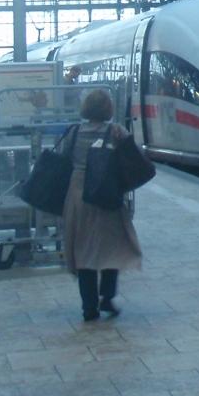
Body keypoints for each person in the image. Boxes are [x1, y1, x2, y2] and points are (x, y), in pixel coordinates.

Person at [62, 88, 142, 322]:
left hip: (78, 194)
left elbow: (65, 158)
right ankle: (107, 295)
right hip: (107, 193)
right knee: (110, 247)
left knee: (83, 250)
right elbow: (134, 158)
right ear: (108, 109)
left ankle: (89, 306)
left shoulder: (73, 132)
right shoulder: (117, 131)